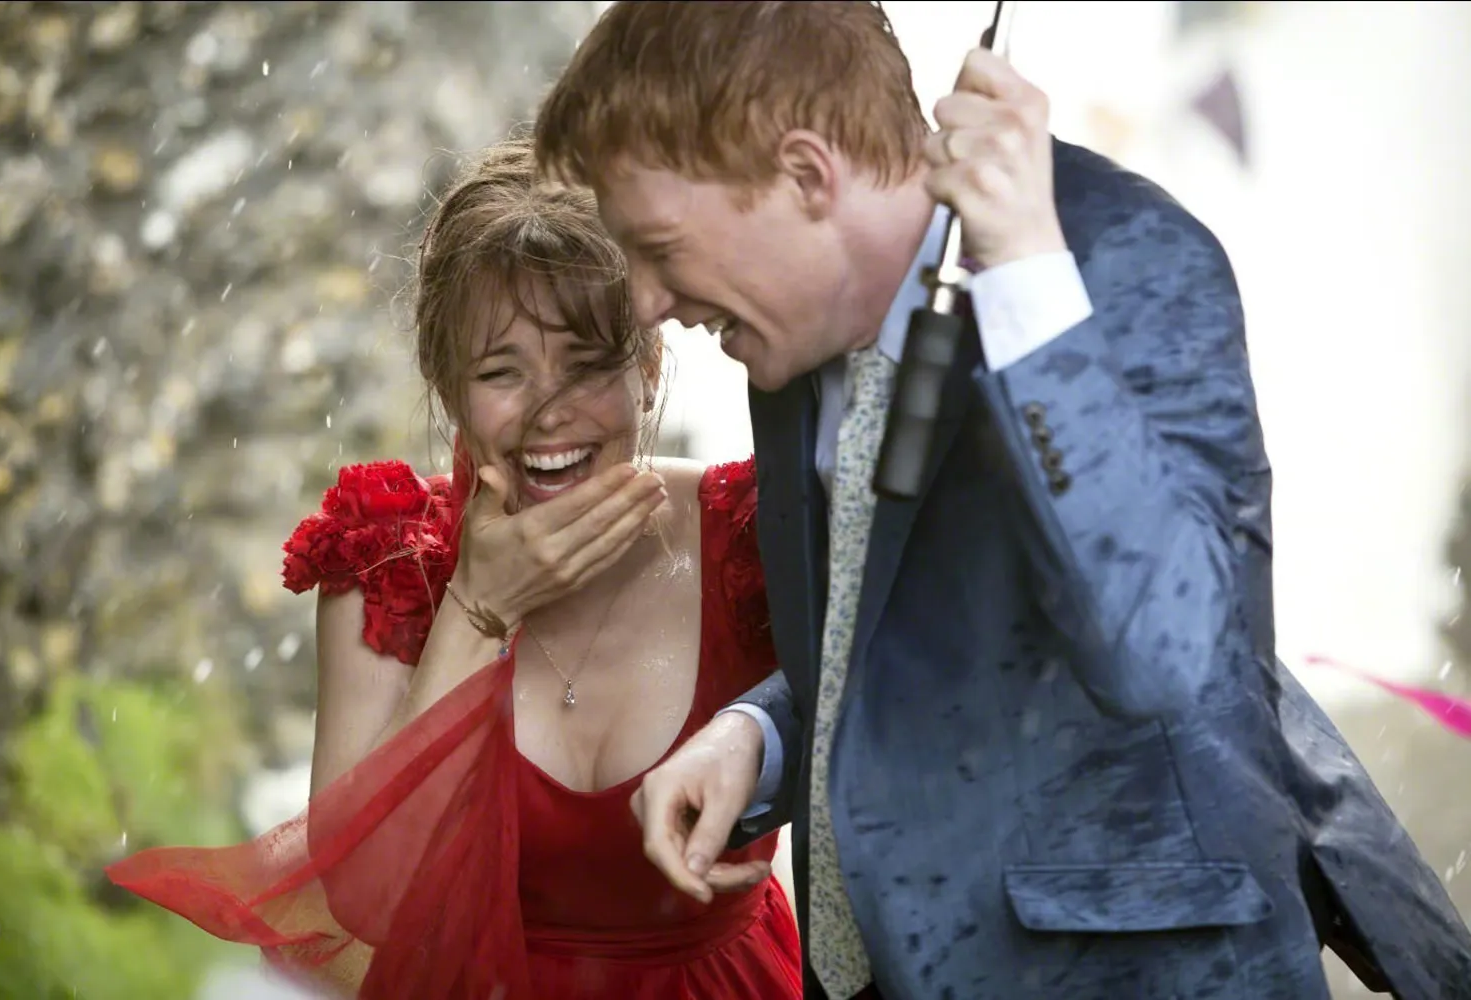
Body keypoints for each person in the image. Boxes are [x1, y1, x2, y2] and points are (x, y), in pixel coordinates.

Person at [531, 3, 1471, 999]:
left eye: (659, 245)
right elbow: (925, 635)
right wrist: (757, 736)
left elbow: (1173, 660)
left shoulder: (1126, 257)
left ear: (806, 174)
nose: (643, 303)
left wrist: (1029, 285)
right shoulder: (785, 342)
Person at [104, 134, 802, 1000]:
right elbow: (371, 898)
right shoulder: (387, 561)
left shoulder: (750, 538)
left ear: (650, 367)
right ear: (447, 387)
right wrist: (478, 608)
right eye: (502, 371)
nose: (550, 412)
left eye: (586, 365)